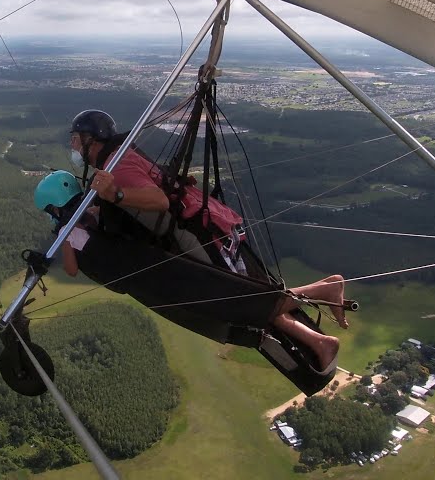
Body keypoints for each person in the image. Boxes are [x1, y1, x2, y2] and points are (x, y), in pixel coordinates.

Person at [38, 132, 350, 374]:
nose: (74, 147)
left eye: (77, 140)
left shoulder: (115, 172)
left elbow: (72, 268)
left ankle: (324, 288)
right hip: (198, 234)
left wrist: (71, 230)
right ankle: (319, 342)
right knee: (247, 306)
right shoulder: (104, 194)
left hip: (197, 238)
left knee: (241, 299)